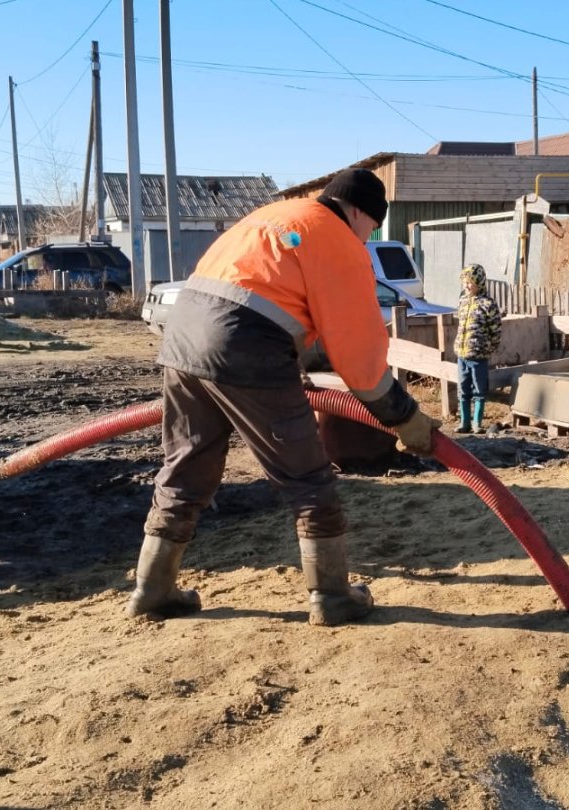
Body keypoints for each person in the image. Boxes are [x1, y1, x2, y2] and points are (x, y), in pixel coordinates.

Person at [127, 168, 442, 626]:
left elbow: (267, 294)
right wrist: (404, 417)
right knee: (308, 480)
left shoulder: (275, 216)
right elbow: (360, 359)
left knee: (185, 468)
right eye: (372, 227)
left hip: (181, 339)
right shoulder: (335, 238)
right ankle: (333, 596)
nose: (368, 237)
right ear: (357, 211)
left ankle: (151, 590)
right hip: (244, 347)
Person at [453, 263, 502, 434]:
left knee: (479, 390)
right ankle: (464, 422)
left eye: (470, 282)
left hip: (479, 355)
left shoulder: (488, 304)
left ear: (479, 283)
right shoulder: (463, 301)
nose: (466, 286)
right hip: (462, 354)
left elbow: (495, 330)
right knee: (463, 389)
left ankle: (477, 423)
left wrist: (490, 347)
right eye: (465, 282)